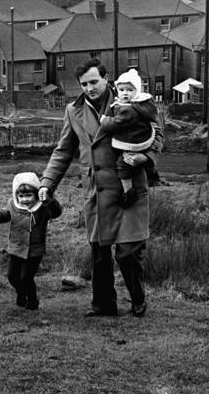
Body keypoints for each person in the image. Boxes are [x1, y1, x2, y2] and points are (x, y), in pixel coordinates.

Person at [38, 58, 163, 318]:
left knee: (128, 253)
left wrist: (146, 158)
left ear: (106, 79)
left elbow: (157, 134)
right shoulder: (73, 111)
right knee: (100, 253)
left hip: (128, 187)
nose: (89, 88)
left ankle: (137, 298)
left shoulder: (130, 101)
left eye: (94, 82)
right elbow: (63, 151)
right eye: (84, 84)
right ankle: (104, 305)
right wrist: (47, 183)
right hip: (96, 190)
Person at [0, 171, 62, 311]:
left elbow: (56, 212)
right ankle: (21, 292)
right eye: (21, 196)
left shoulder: (43, 208)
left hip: (34, 250)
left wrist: (49, 200)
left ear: (37, 194)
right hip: (15, 247)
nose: (24, 199)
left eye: (29, 195)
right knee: (12, 277)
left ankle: (32, 301)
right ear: (16, 195)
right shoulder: (13, 205)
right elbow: (4, 213)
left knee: (26, 278)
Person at [99, 68, 162, 207]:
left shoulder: (130, 109)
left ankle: (128, 192)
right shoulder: (139, 105)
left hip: (134, 142)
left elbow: (116, 123)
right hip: (135, 139)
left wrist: (104, 121)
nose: (125, 93)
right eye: (121, 90)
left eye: (129, 90)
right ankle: (151, 174)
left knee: (123, 164)